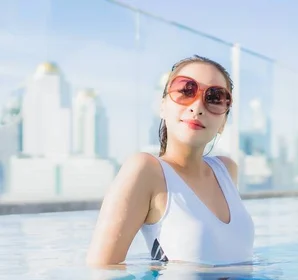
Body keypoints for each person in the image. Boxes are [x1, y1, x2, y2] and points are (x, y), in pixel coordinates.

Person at [86, 55, 255, 266]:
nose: (197, 107)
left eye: (214, 98)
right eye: (185, 91)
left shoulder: (226, 170)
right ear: (163, 106)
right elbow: (102, 271)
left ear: (223, 121)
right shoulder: (146, 170)